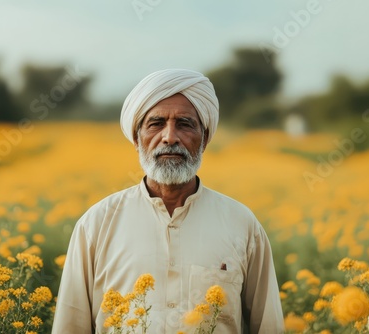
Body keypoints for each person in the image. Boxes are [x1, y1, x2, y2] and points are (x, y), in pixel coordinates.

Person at [52, 69, 284, 333]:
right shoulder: (96, 224)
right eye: (156, 124)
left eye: (185, 124)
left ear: (205, 139)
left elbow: (268, 326)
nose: (170, 137)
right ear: (137, 140)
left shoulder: (242, 225)